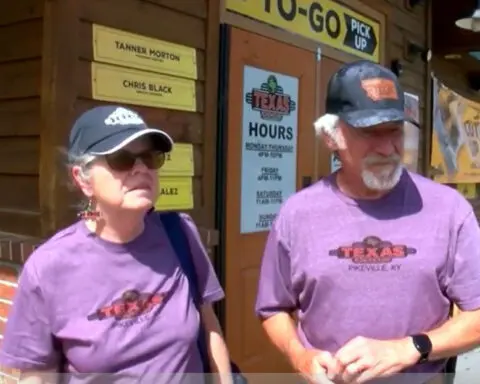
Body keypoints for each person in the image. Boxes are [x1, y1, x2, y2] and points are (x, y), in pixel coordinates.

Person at [254, 60, 480, 384]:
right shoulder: (297, 214)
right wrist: (299, 355)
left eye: (395, 130)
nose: (388, 148)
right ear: (331, 136)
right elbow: (273, 308)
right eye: (370, 132)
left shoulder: (448, 210)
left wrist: (410, 348)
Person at [0, 105, 232, 384]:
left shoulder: (180, 233)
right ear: (82, 179)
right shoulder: (48, 267)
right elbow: (37, 375)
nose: (141, 168)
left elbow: (210, 328)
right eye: (121, 159)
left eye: (149, 157)